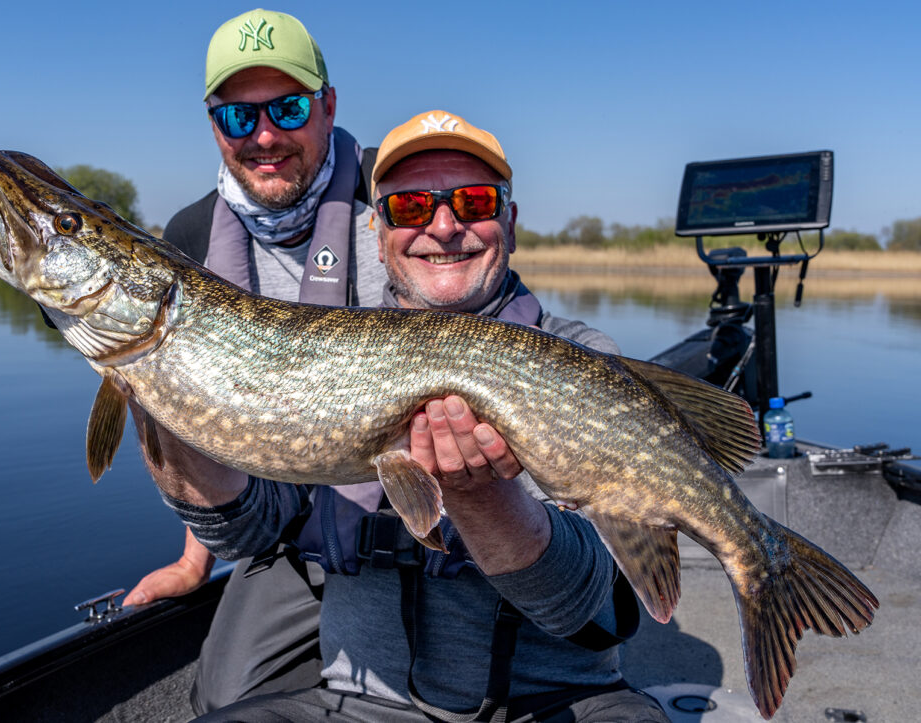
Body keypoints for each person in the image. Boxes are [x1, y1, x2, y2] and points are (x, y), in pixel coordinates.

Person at [143, 107, 671, 722]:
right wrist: (162, 397)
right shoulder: (331, 352)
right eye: (411, 208)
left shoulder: (587, 361)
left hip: (555, 705)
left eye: (473, 202)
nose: (444, 227)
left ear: (510, 220)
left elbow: (577, 604)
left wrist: (482, 502)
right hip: (357, 705)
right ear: (378, 231)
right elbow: (248, 531)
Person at [122, 10, 503, 715]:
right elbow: (202, 399)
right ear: (214, 124)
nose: (264, 136)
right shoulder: (190, 234)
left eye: (288, 107)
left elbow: (490, 314)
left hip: (434, 504)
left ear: (329, 105)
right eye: (239, 116)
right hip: (292, 529)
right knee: (219, 693)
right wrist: (193, 558)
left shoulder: (398, 202)